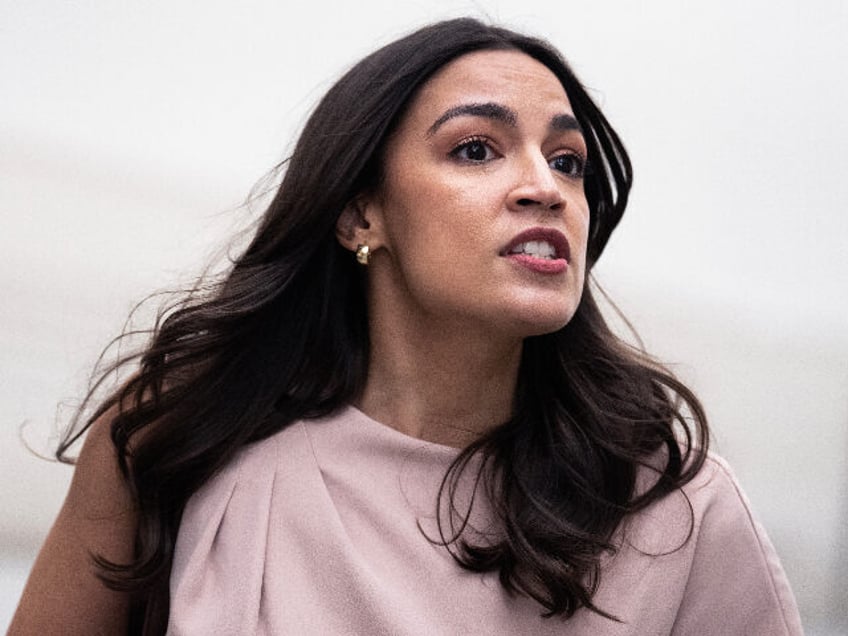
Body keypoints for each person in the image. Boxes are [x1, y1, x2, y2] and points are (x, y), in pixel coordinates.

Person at [10, 17, 802, 636]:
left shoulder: (674, 506)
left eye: (568, 162)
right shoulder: (177, 439)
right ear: (361, 214)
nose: (544, 186)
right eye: (477, 149)